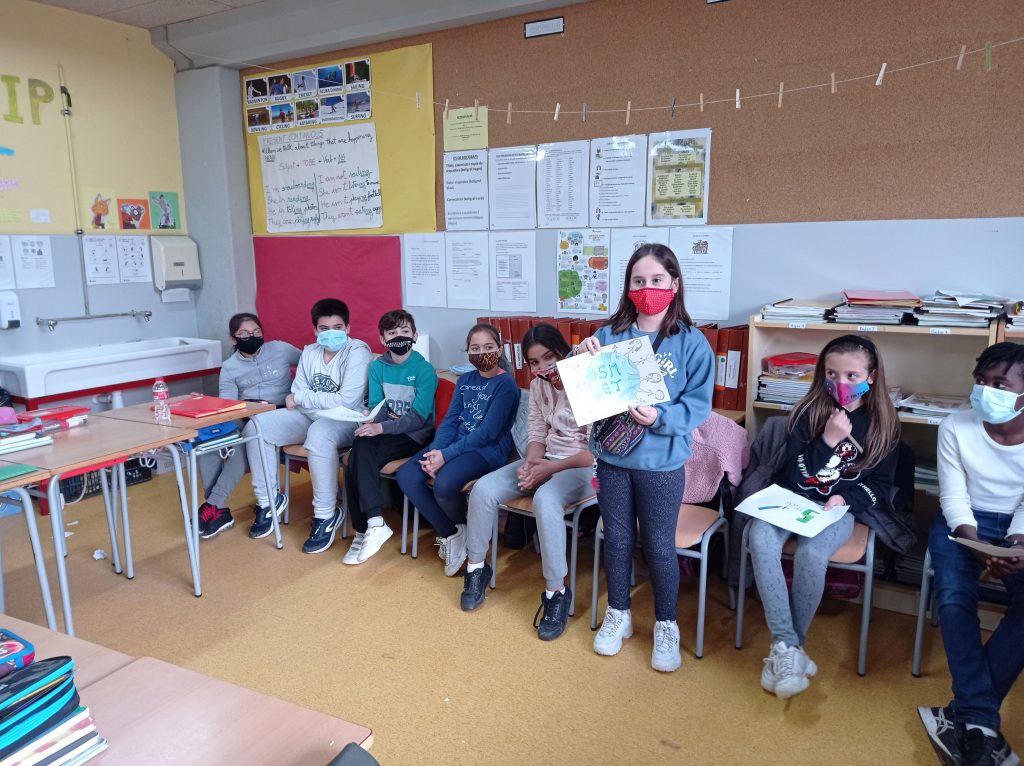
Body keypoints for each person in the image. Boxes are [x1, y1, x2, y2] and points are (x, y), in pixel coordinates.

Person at [581, 243, 714, 672]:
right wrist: (580, 359)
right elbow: (588, 391)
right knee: (617, 540)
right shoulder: (609, 334)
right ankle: (618, 613)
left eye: (657, 280)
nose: (647, 288)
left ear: (674, 284)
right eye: (638, 281)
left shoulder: (692, 342)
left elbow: (698, 406)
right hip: (613, 460)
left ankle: (666, 624)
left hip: (661, 464)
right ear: (628, 287)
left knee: (658, 544)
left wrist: (660, 417)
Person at [748, 334, 900, 699]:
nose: (840, 383)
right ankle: (789, 647)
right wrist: (828, 441)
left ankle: (789, 648)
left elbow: (880, 485)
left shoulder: (883, 423)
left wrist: (844, 498)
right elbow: (795, 475)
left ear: (872, 376)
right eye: (832, 374)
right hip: (789, 499)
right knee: (759, 538)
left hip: (837, 509)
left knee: (812, 554)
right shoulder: (809, 412)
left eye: (851, 376)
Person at [918, 342, 1024, 766]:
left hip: (1018, 527)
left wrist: (1016, 544)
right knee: (953, 598)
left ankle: (970, 713)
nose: (985, 391)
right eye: (980, 381)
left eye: (1000, 384)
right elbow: (953, 495)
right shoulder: (955, 426)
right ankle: (980, 721)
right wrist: (976, 545)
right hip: (962, 523)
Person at [461, 323, 592, 640]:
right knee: (483, 489)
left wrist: (547, 469)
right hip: (547, 460)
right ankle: (476, 568)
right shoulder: (537, 386)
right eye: (534, 362)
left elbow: (596, 453)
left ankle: (555, 591)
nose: (543, 367)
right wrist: (532, 464)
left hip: (587, 468)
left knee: (546, 500)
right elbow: (536, 434)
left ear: (563, 351)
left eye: (549, 357)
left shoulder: (588, 379)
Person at [243, 298, 371, 553]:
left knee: (319, 433)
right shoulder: (310, 352)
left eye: (337, 327)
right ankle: (268, 500)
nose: (331, 333)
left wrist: (303, 398)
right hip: (310, 415)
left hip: (347, 420)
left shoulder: (357, 351)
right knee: (256, 426)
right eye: (324, 328)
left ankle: (326, 514)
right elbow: (295, 393)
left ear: (347, 328)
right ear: (315, 330)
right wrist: (304, 399)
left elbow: (345, 401)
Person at [396, 323, 520, 577]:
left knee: (444, 484)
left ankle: (461, 533)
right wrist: (436, 451)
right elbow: (450, 421)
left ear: (499, 349)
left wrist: (445, 456)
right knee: (407, 475)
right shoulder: (465, 381)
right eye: (475, 348)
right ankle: (453, 533)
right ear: (468, 352)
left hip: (486, 451)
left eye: (488, 347)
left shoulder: (506, 384)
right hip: (453, 445)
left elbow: (488, 432)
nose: (482, 353)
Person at [342, 310, 438, 565]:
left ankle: (365, 528)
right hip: (388, 430)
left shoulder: (424, 370)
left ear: (415, 336)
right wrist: (370, 421)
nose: (399, 337)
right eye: (392, 333)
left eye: (405, 332)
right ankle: (372, 525)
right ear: (383, 339)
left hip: (414, 436)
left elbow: (418, 418)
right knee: (358, 450)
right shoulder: (378, 367)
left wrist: (380, 429)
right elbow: (379, 406)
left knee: (358, 456)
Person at [197, 313, 299, 539]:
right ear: (233, 339)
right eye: (244, 334)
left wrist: (299, 393)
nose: (251, 337)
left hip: (281, 412)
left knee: (248, 439)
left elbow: (311, 364)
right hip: (246, 412)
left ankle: (214, 505)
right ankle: (218, 508)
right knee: (207, 437)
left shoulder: (281, 349)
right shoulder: (229, 367)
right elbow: (228, 405)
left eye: (256, 332)